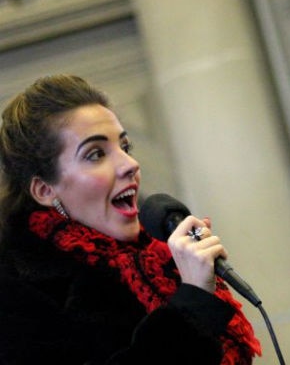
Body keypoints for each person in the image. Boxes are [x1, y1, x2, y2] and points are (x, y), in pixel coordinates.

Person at [0, 74, 262, 364]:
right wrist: (192, 303)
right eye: (95, 154)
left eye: (125, 148)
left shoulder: (159, 265)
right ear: (45, 189)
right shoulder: (17, 292)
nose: (130, 164)